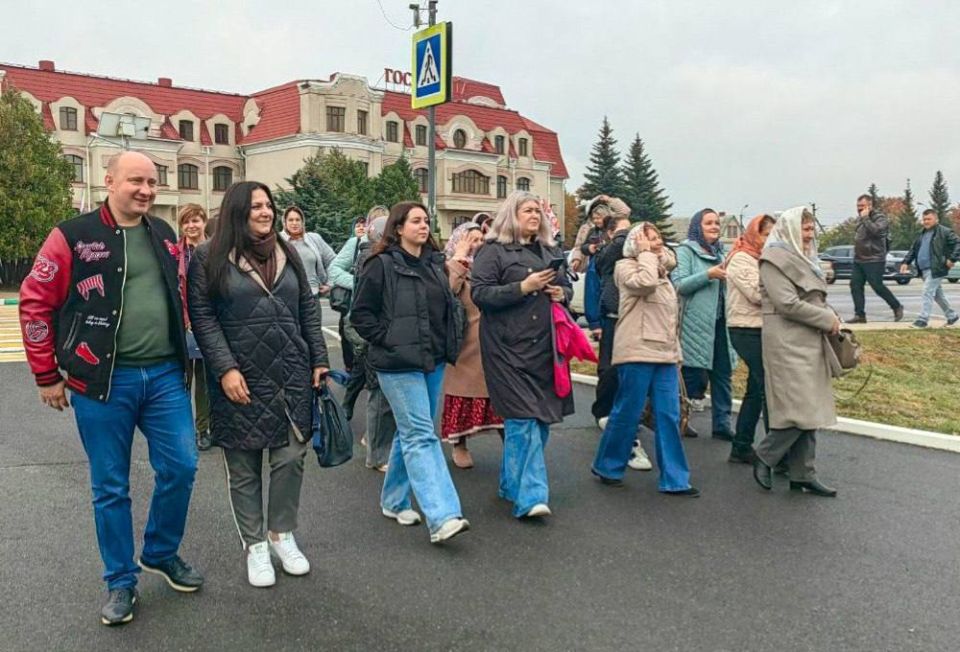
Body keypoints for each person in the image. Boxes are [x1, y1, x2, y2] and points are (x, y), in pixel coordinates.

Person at [19, 151, 202, 625]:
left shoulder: (163, 233)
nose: (145, 190)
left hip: (164, 376)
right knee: (110, 487)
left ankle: (160, 552)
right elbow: (35, 304)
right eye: (135, 181)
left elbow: (179, 294)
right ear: (110, 181)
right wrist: (45, 374)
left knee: (182, 466)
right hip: (101, 380)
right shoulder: (72, 236)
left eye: (152, 182)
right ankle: (120, 581)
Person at [188, 181, 330, 587]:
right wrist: (225, 368)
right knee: (244, 466)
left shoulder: (287, 252)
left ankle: (281, 534)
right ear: (237, 212)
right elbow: (203, 317)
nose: (266, 213)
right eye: (256, 207)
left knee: (290, 458)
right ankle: (255, 545)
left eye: (269, 205)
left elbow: (307, 306)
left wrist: (318, 357)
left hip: (290, 370)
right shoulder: (208, 256)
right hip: (240, 376)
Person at [350, 201, 470, 544]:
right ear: (398, 228)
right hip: (396, 364)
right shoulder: (379, 265)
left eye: (426, 220)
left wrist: (449, 342)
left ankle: (393, 500)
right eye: (416, 220)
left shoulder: (434, 264)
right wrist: (387, 340)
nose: (423, 225)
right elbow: (360, 316)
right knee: (420, 434)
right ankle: (443, 514)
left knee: (410, 432)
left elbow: (447, 309)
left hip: (431, 361)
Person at [471, 190, 574, 518]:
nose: (535, 216)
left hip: (544, 347)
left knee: (540, 421)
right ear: (510, 215)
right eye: (527, 210)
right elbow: (480, 294)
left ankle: (510, 483)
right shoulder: (493, 251)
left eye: (538, 211)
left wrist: (561, 292)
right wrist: (522, 287)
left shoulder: (549, 250)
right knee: (523, 420)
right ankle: (531, 498)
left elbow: (567, 287)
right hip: (506, 348)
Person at [590, 223, 699, 495]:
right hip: (636, 350)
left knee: (669, 415)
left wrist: (677, 355)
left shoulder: (663, 274)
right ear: (636, 244)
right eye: (648, 238)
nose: (656, 242)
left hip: (664, 353)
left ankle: (675, 479)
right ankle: (608, 465)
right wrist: (646, 255)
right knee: (628, 411)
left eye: (658, 237)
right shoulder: (625, 267)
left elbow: (669, 319)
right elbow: (644, 284)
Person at [753, 206, 840, 497]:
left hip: (809, 338)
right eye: (804, 229)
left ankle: (803, 473)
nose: (810, 233)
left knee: (811, 406)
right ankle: (765, 455)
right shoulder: (773, 259)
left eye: (811, 228)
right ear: (790, 229)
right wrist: (827, 319)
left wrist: (829, 318)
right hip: (787, 341)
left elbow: (811, 298)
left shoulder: (805, 258)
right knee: (800, 408)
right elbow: (786, 303)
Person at [592, 212, 653, 471]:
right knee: (611, 372)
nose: (633, 237)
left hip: (642, 322)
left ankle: (626, 428)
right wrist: (622, 239)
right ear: (610, 235)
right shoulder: (609, 255)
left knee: (631, 380)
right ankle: (605, 414)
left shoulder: (646, 257)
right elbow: (600, 266)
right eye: (624, 232)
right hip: (613, 315)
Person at [440, 222, 504, 469]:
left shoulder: (491, 267)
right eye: (471, 239)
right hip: (465, 345)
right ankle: (460, 444)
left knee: (501, 398)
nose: (478, 244)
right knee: (464, 395)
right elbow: (446, 293)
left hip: (495, 343)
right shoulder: (450, 265)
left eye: (481, 239)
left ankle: (511, 444)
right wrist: (458, 259)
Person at [672, 209, 737, 441]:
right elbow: (678, 285)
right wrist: (708, 275)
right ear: (697, 226)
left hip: (721, 322)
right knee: (691, 375)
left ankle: (722, 424)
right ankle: (679, 419)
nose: (714, 227)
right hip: (694, 324)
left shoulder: (721, 252)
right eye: (708, 223)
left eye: (717, 223)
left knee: (723, 373)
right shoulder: (686, 250)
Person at [724, 214, 776, 464]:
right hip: (745, 329)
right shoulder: (741, 258)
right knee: (767, 386)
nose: (770, 241)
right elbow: (756, 294)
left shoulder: (764, 259)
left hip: (763, 327)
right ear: (755, 234)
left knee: (756, 389)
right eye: (766, 235)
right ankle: (774, 451)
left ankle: (742, 445)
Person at [329, 206, 390, 419]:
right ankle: (349, 408)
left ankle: (348, 407)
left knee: (365, 365)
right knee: (363, 363)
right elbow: (334, 269)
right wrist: (357, 284)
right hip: (361, 313)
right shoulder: (356, 243)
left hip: (383, 315)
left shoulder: (391, 246)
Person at [176, 203, 211, 450]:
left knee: (206, 381)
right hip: (182, 323)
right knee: (181, 380)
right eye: (186, 222)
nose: (191, 226)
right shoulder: (175, 253)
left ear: (204, 222)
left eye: (195, 220)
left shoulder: (215, 250)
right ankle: (182, 429)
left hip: (210, 323)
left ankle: (203, 429)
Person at [570, 196, 628, 335]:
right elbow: (580, 246)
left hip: (609, 266)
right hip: (594, 265)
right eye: (594, 218)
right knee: (592, 293)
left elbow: (625, 211)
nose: (596, 221)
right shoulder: (590, 230)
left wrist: (610, 200)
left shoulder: (614, 228)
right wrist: (587, 249)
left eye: (599, 217)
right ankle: (595, 323)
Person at [900, 209, 960, 328]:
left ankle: (923, 320)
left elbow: (958, 244)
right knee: (937, 295)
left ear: (936, 219)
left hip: (936, 268)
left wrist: (952, 259)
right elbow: (913, 249)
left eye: (929, 219)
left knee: (927, 291)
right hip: (924, 270)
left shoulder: (945, 232)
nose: (926, 222)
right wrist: (906, 262)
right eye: (924, 219)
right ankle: (951, 315)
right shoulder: (921, 234)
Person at [849, 194, 903, 323]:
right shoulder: (860, 219)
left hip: (874, 259)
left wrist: (866, 218)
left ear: (870, 205)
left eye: (862, 206)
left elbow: (877, 232)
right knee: (855, 285)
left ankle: (896, 306)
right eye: (858, 206)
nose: (859, 209)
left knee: (877, 286)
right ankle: (860, 315)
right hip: (859, 259)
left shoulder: (880, 218)